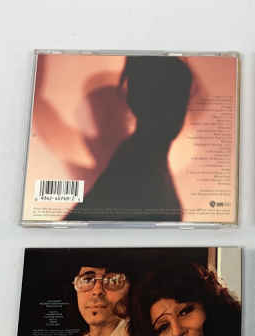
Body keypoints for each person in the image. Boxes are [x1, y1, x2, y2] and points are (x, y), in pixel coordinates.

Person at [66, 55, 193, 222]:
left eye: (180, 102)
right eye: (161, 102)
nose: (173, 115)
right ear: (136, 102)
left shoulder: (134, 156)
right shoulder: (137, 165)